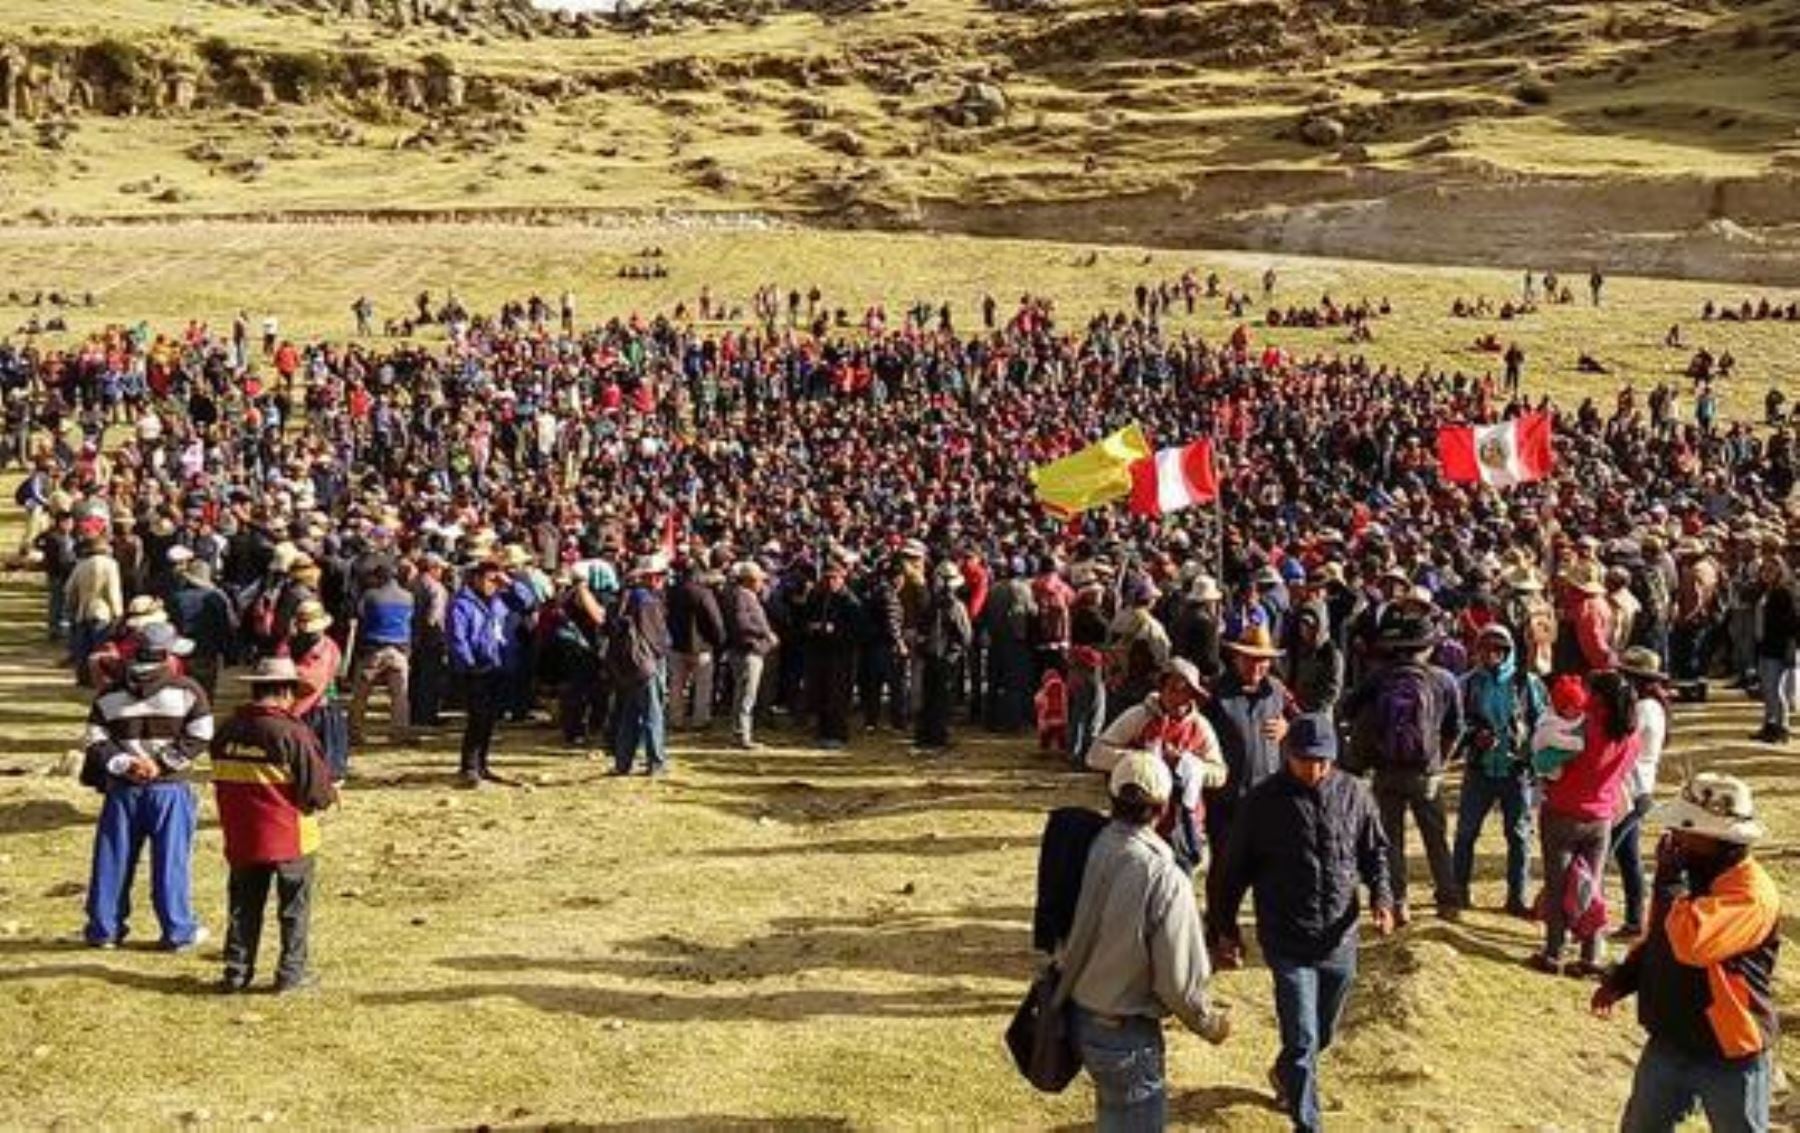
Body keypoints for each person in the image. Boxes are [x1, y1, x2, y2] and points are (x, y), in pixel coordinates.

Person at [1209, 715, 1395, 1133]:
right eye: (1305, 760)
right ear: (1288, 755)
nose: (1314, 769)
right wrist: (1226, 928)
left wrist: (1382, 898)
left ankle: (1284, 1074)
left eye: (1322, 761)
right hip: (1285, 935)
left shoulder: (1355, 794)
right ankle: (1307, 1123)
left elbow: (1375, 853)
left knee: (1323, 1033)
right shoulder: (1261, 803)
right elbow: (1231, 871)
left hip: (1339, 936)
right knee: (1302, 1037)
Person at [1055, 750, 1231, 1131]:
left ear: (1112, 795)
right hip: (1125, 1030)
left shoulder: (1090, 844)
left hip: (1080, 1013)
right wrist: (1209, 1023)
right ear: (1164, 807)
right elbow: (1177, 978)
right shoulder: (1164, 876)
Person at [1593, 773, 1779, 1132]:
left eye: (1684, 829)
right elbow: (1661, 938)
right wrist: (1624, 978)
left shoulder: (1749, 894)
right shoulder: (1693, 871)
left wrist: (1669, 885)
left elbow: (1692, 945)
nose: (1673, 837)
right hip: (1670, 1040)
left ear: (1718, 837)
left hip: (1729, 1055)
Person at [79, 622, 214, 950]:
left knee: (112, 860)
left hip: (123, 790)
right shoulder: (187, 689)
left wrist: (126, 763)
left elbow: (95, 739)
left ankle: (104, 929)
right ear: (167, 655)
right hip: (169, 789)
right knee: (171, 863)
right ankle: (178, 931)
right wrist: (162, 762)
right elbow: (201, 734)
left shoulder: (110, 693)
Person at [211, 656, 337, 994]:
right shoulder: (293, 733)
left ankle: (236, 972)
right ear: (285, 691)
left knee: (243, 906)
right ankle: (290, 975)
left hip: (242, 836)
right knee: (294, 908)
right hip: (289, 836)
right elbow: (317, 792)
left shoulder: (226, 730)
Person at [1340, 606, 1464, 923]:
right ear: (1429, 646)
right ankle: (1448, 900)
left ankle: (1398, 901)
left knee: (1390, 839)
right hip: (1427, 772)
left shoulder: (1378, 677)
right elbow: (1455, 729)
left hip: (1386, 770)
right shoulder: (1444, 680)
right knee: (1435, 839)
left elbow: (1348, 708)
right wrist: (1441, 761)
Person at [1531, 669, 1640, 976]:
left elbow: (1543, 762)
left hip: (1563, 813)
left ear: (1600, 699)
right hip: (1601, 817)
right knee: (1593, 885)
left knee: (1558, 885)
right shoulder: (1631, 736)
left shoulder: (1583, 730)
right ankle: (1590, 955)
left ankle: (1553, 952)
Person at [1088, 659, 1228, 875]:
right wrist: (1143, 761)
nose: (1179, 698)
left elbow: (1220, 774)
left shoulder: (1201, 727)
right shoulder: (1139, 716)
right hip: (1137, 822)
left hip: (1180, 827)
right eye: (1173, 689)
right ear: (1162, 688)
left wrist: (1190, 765)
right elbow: (1095, 756)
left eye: (1187, 691)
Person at [1451, 624, 1545, 917]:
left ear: (1508, 651)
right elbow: (1453, 724)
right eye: (1485, 648)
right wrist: (1473, 736)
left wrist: (1530, 750)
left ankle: (1516, 897)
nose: (1491, 655)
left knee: (1518, 836)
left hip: (1516, 771)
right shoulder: (1466, 684)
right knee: (1466, 832)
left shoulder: (1526, 683)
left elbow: (1543, 723)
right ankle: (1459, 890)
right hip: (1479, 768)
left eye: (1498, 649)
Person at [1613, 647, 1671, 938]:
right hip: (1639, 789)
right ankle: (1635, 919)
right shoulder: (1653, 705)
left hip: (1631, 791)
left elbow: (1622, 739)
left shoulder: (1644, 708)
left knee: (1608, 855)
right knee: (1627, 857)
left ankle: (1587, 919)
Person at [448, 559, 509, 788]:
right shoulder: (462, 604)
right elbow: (458, 638)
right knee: (477, 719)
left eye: (496, 579)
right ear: (475, 578)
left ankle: (482, 764)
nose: (493, 583)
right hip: (474, 669)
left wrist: (509, 583)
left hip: (495, 666)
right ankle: (469, 767)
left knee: (489, 720)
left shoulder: (497, 601)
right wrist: (470, 664)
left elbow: (526, 601)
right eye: (489, 578)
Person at [348, 562, 415, 744]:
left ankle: (355, 732)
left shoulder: (370, 596)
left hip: (373, 649)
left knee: (361, 694)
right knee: (400, 695)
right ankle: (399, 732)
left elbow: (360, 615)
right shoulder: (408, 597)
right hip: (399, 649)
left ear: (379, 577)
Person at [913, 560, 972, 752]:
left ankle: (926, 735)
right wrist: (954, 653)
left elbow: (921, 631)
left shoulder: (931, 604)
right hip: (945, 658)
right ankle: (937, 736)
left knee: (930, 697)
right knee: (942, 699)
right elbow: (965, 635)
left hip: (931, 656)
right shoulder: (955, 606)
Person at [722, 560, 778, 750]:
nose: (762, 583)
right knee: (746, 695)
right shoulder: (741, 596)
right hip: (747, 650)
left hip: (747, 649)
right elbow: (741, 623)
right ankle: (741, 735)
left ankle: (740, 732)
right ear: (750, 580)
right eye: (759, 580)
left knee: (745, 695)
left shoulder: (742, 595)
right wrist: (765, 633)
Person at [1751, 553, 1796, 744]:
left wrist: (1790, 647)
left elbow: (1792, 623)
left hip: (1779, 647)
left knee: (1776, 690)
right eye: (1764, 570)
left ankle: (1782, 727)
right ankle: (1769, 724)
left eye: (1771, 569)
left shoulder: (1784, 592)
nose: (1766, 573)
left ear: (1780, 571)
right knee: (1768, 689)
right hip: (1765, 646)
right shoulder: (1766, 591)